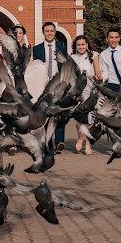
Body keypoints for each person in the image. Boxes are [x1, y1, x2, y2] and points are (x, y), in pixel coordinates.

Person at [33, 21, 68, 150]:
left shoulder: (62, 48)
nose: (49, 33)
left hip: (58, 84)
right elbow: (36, 66)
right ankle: (46, 140)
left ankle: (59, 141)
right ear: (43, 32)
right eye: (47, 31)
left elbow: (64, 66)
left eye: (51, 31)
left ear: (55, 32)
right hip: (42, 84)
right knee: (44, 111)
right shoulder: (37, 49)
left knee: (59, 111)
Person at [70, 35, 94, 155]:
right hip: (77, 90)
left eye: (83, 44)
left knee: (89, 118)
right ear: (75, 46)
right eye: (78, 44)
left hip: (90, 90)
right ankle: (80, 138)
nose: (81, 46)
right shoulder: (72, 58)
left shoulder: (93, 57)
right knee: (80, 116)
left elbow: (100, 73)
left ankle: (88, 143)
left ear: (87, 45)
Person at [93, 27, 121, 93]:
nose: (114, 40)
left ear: (119, 38)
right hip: (113, 85)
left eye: (116, 37)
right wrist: (101, 79)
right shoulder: (103, 54)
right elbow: (105, 72)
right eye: (111, 37)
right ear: (107, 39)